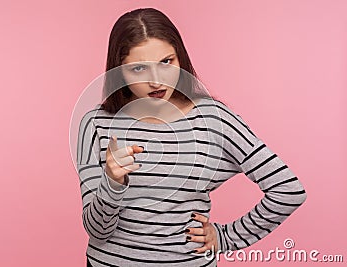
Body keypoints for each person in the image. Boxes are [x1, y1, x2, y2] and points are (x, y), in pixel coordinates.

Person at [76, 8, 307, 267]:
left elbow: (288, 190)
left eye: (166, 62)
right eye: (139, 68)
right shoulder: (95, 123)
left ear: (180, 59)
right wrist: (113, 182)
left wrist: (226, 237)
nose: (156, 81)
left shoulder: (213, 119)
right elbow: (97, 231)